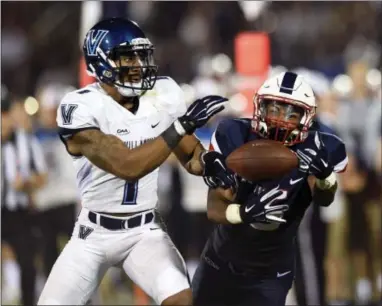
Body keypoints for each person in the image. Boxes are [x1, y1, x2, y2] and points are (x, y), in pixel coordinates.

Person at [37, 17, 232, 306]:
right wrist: (181, 125)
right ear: (101, 61)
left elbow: (190, 156)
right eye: (128, 57)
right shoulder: (80, 106)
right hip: (93, 234)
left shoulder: (161, 95)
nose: (139, 65)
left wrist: (211, 163)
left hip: (143, 231)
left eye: (142, 56)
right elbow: (127, 166)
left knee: (181, 299)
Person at [192, 71, 348, 306]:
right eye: (274, 109)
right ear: (260, 107)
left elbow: (325, 200)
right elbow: (214, 207)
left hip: (271, 272)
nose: (280, 120)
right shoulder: (235, 134)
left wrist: (326, 178)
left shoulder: (320, 146)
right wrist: (243, 214)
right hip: (221, 260)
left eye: (291, 113)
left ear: (306, 118)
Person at [1, 85, 47, 306]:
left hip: (17, 211)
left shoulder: (26, 141)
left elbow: (42, 177)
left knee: (27, 264)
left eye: (4, 113)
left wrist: (27, 183)